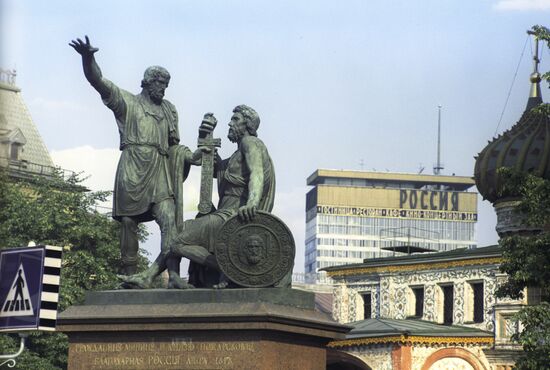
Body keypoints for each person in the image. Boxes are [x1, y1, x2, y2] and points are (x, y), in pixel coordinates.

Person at [70, 36, 201, 287]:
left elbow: (175, 148)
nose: (163, 89)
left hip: (160, 170)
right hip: (132, 169)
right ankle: (129, 274)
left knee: (169, 220)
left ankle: (173, 274)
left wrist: (190, 157)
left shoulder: (169, 110)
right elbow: (98, 81)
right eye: (160, 83)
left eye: (166, 84)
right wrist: (88, 58)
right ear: (148, 83)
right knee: (129, 223)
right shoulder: (127, 102)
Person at [120, 104, 276, 288]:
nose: (230, 123)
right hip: (225, 214)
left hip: (234, 216)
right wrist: (204, 138)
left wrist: (252, 203)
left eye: (236, 120)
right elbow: (213, 168)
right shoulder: (237, 153)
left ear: (247, 125)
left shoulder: (251, 143)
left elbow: (257, 173)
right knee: (178, 236)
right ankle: (151, 277)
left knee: (177, 238)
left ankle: (229, 269)